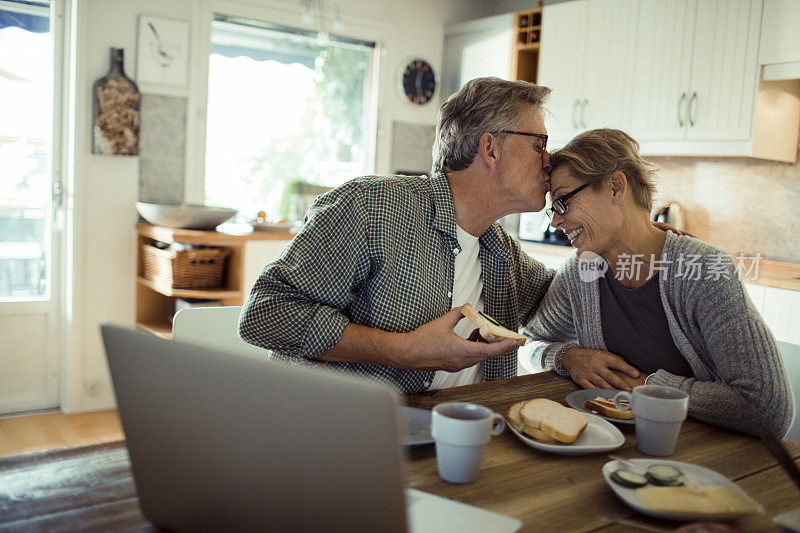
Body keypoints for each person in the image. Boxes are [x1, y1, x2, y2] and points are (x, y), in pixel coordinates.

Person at [239, 77, 555, 393]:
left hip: (455, 434)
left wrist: (567, 354)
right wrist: (403, 350)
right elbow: (265, 312)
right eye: (539, 144)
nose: (548, 160)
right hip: (340, 429)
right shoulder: (369, 207)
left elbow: (566, 312)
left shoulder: (501, 252)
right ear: (490, 149)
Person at [522, 128, 791, 436]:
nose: (554, 221)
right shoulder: (580, 273)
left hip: (701, 457)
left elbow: (768, 408)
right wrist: (566, 358)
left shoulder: (701, 269)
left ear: (615, 187)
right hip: (611, 445)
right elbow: (527, 343)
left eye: (561, 203)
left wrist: (651, 387)